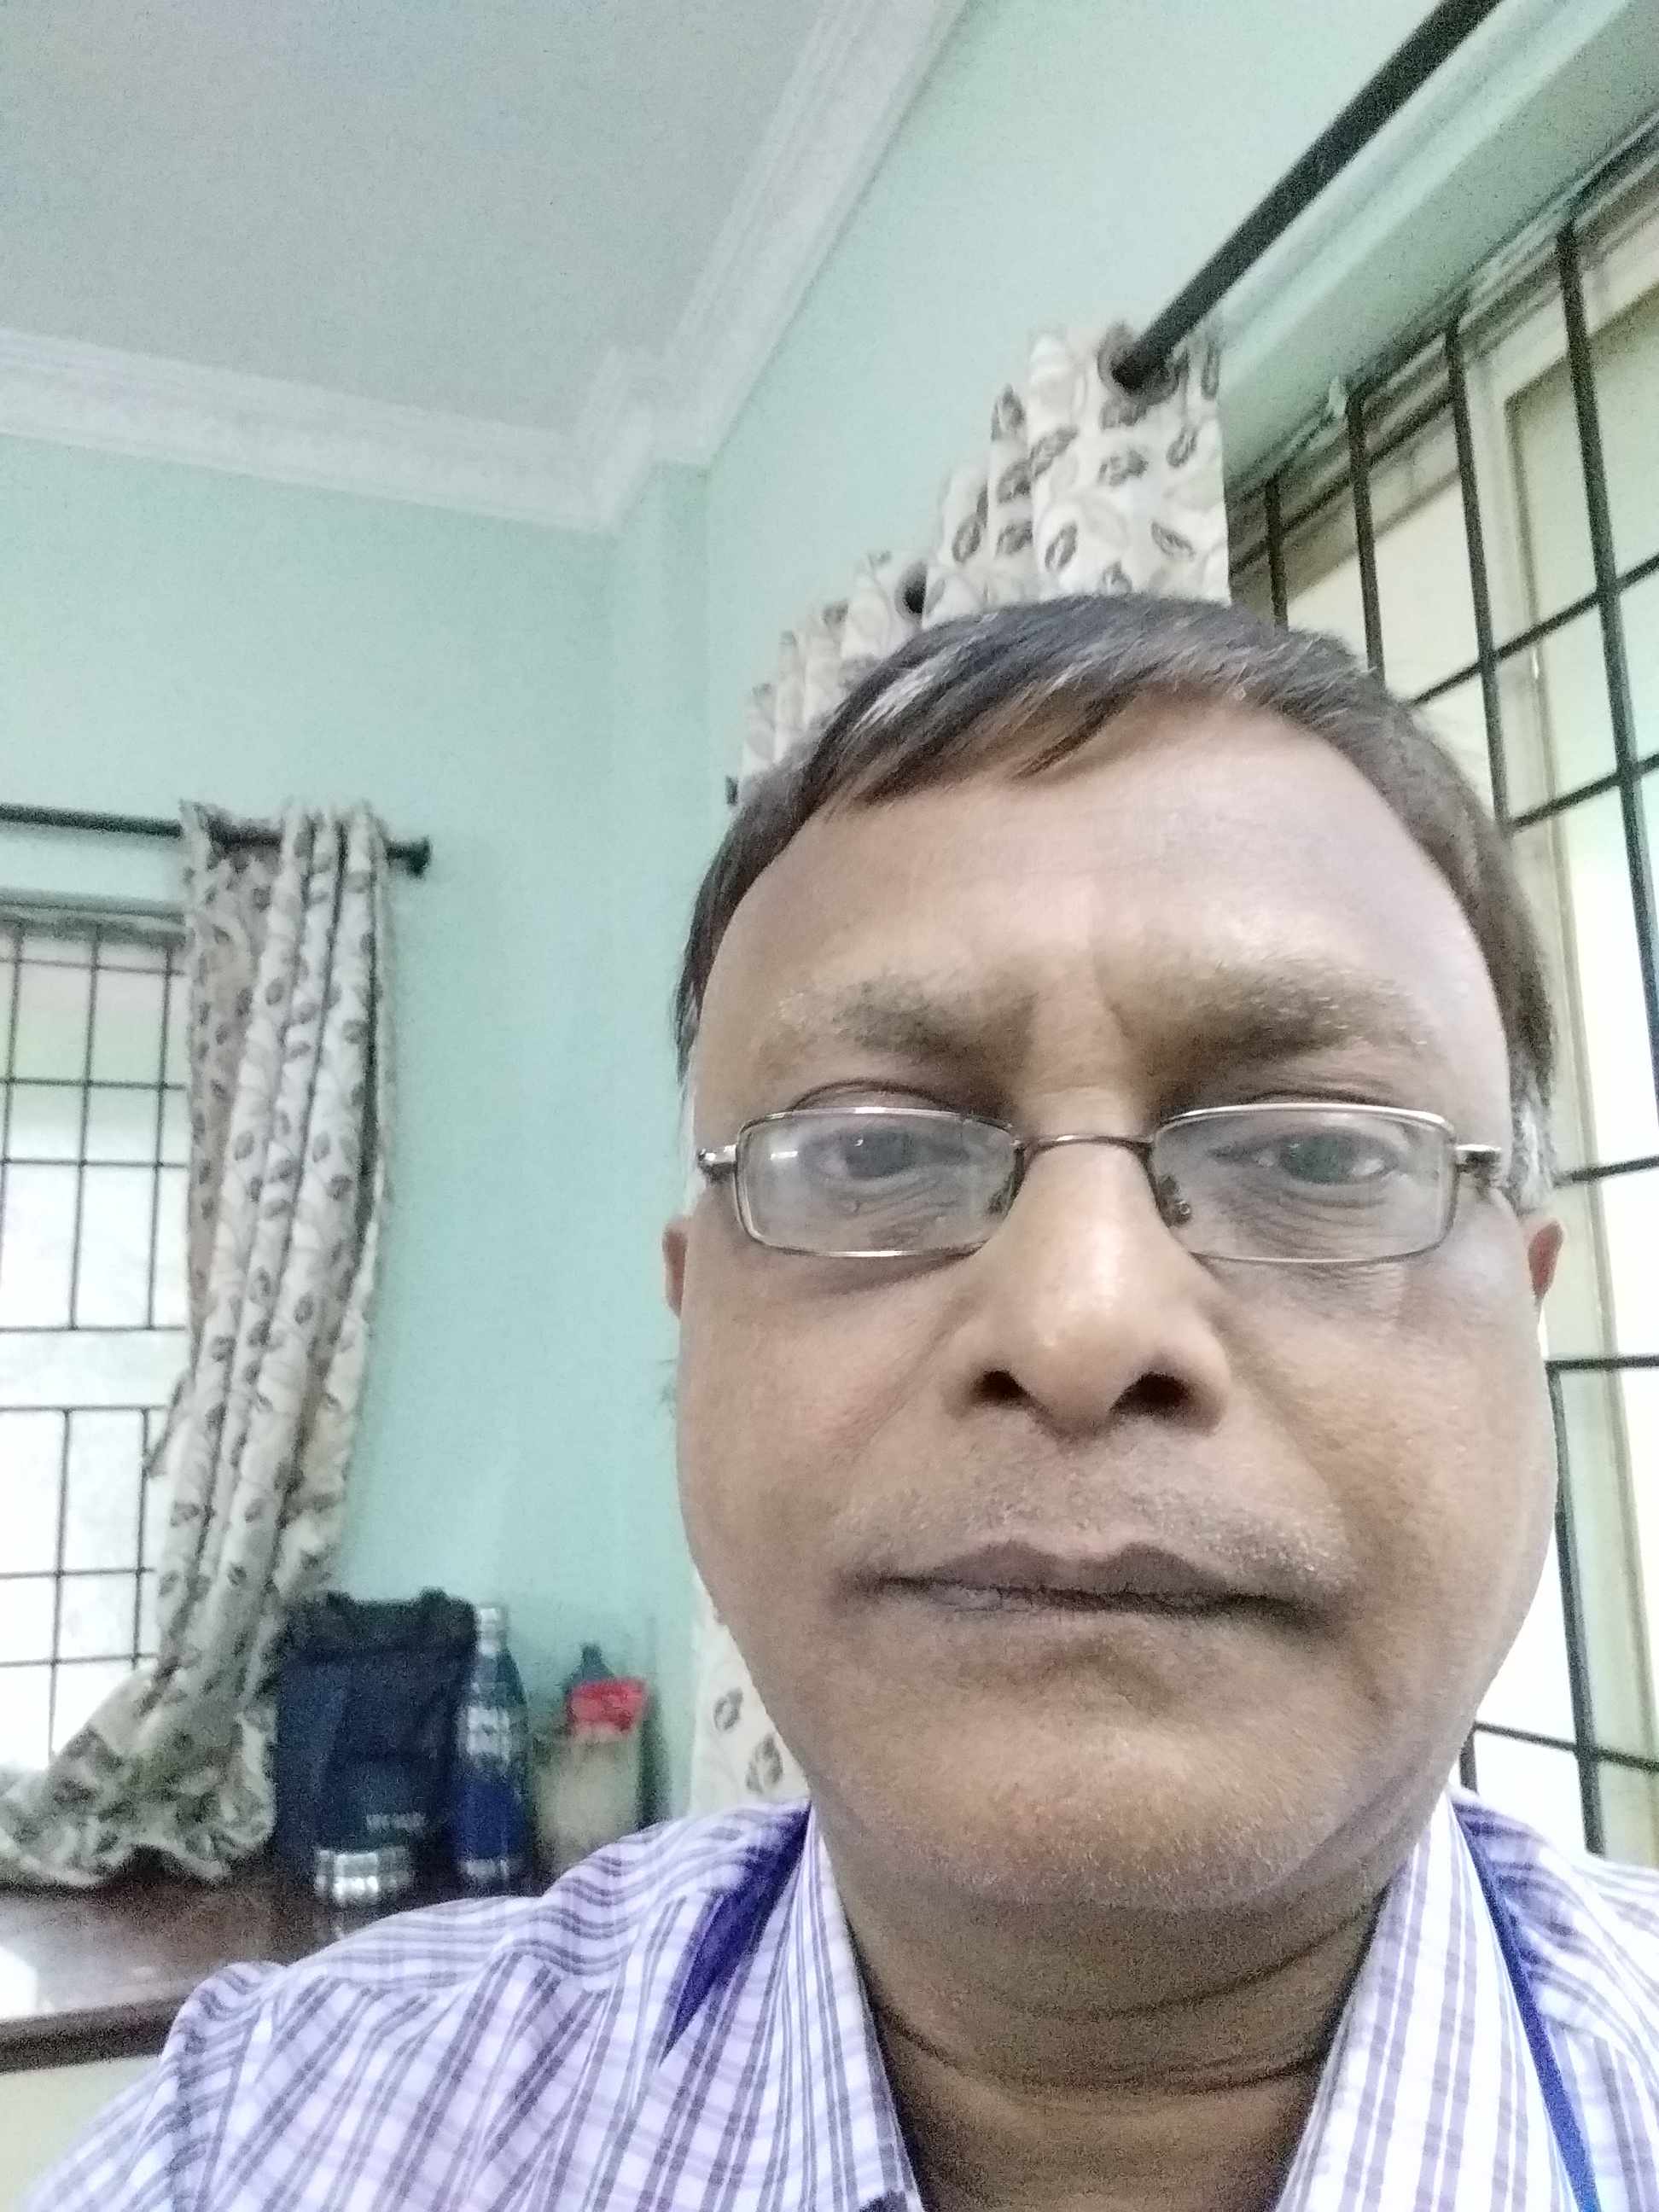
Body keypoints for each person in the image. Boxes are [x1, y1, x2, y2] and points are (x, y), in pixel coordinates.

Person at [37, 595, 1659, 2211]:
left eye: (1315, 1154)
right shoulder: (261, 2145)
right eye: (871, 1150)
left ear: (1528, 1318)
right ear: (695, 1324)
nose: (1081, 1322)